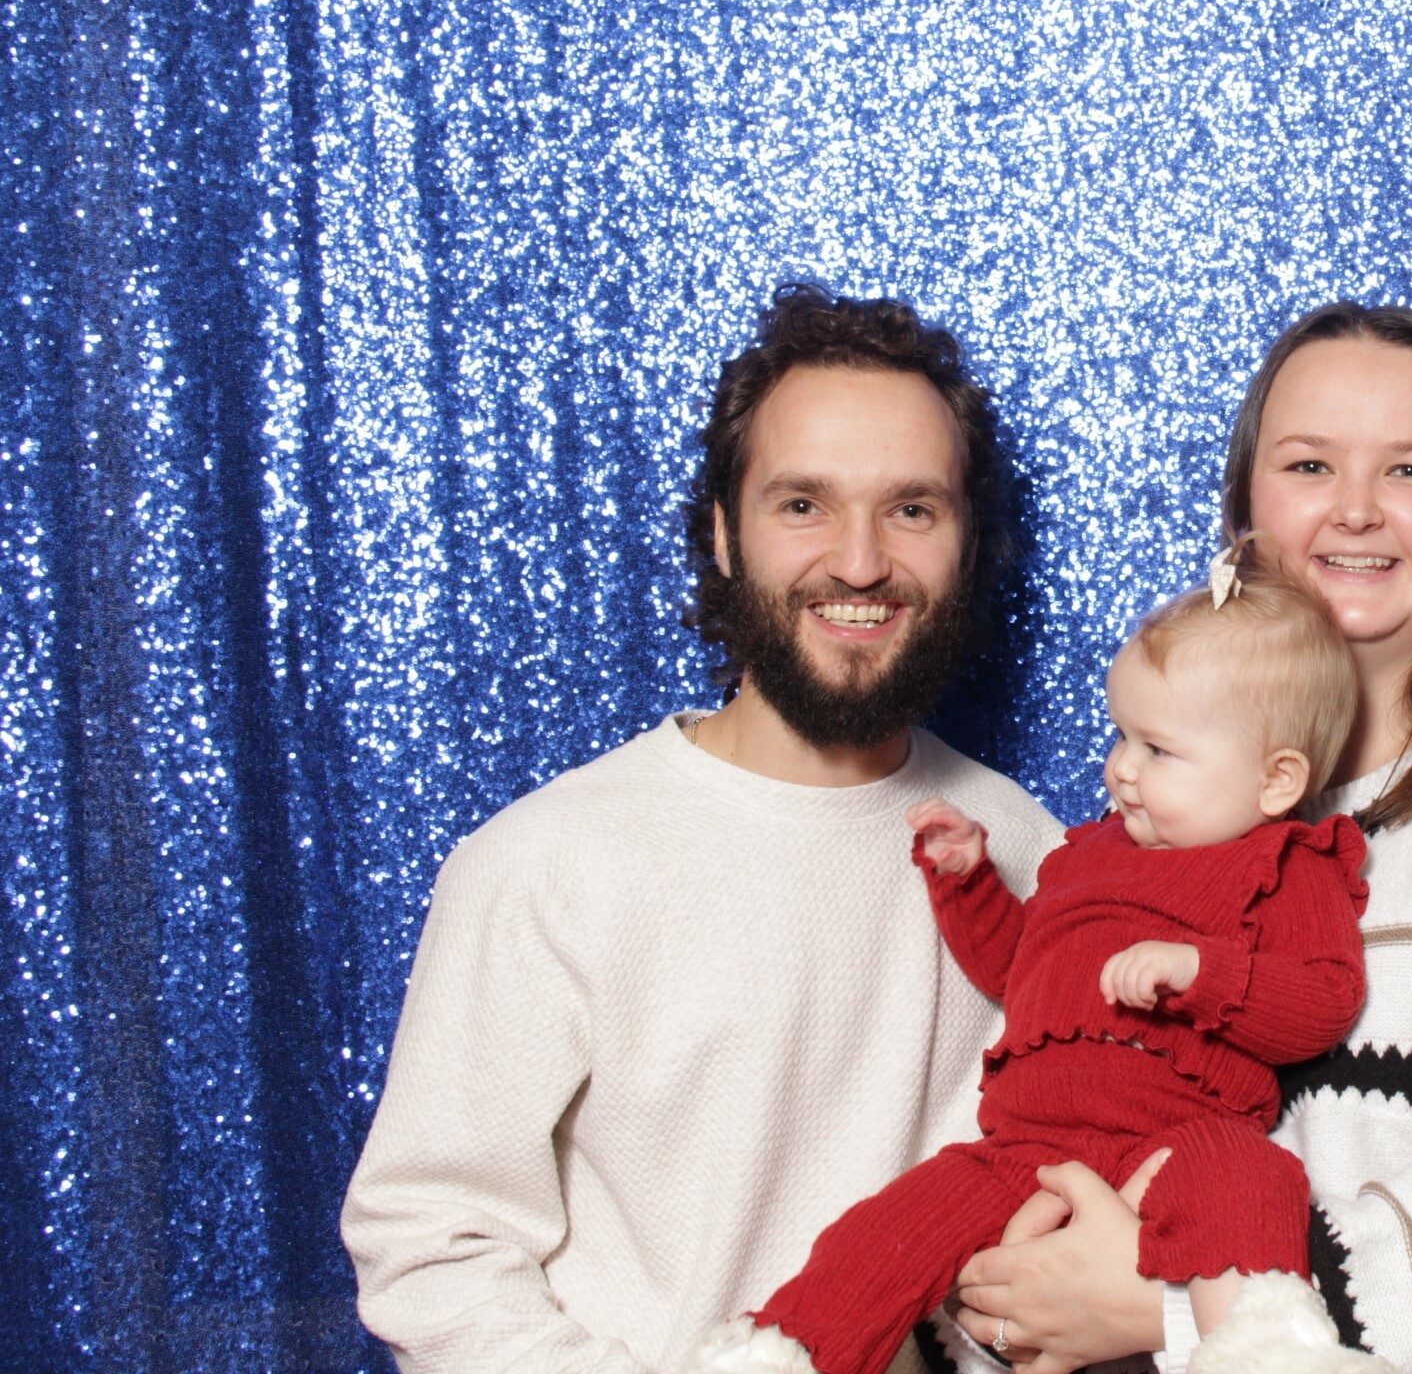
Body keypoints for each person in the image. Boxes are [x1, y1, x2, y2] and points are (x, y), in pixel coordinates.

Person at [946, 304, 1412, 1374]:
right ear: (1245, 508)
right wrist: (1006, 1290)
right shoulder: (1183, 799)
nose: (1355, 511)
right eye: (1308, 465)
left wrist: (1174, 1310)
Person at [341, 286, 1066, 1374]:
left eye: (912, 509)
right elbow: (432, 1247)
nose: (859, 562)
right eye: (803, 504)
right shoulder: (546, 865)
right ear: (725, 533)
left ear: (965, 543)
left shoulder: (1028, 850)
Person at [691, 557, 1382, 1374]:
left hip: (1180, 1142)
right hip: (1027, 1144)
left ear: (1276, 780)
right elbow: (1022, 973)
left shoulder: (1287, 862)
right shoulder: (1087, 855)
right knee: (898, 1222)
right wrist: (968, 884)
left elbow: (1325, 1002)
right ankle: (788, 1349)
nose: (1122, 767)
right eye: (1121, 736)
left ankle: (1267, 1348)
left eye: (1159, 750)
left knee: (1254, 1180)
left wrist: (1204, 974)